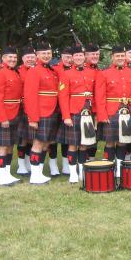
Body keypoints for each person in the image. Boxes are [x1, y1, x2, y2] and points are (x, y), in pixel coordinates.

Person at [95, 45, 131, 177]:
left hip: (127, 110)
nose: (120, 58)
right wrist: (102, 115)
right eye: (117, 56)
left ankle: (120, 169)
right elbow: (100, 96)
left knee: (122, 141)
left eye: (122, 56)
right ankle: (109, 169)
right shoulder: (104, 73)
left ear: (125, 56)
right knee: (110, 141)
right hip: (111, 111)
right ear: (112, 57)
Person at [58, 44, 98, 183]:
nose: (79, 58)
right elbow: (62, 97)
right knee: (73, 143)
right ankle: (72, 173)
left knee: (84, 144)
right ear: (72, 58)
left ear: (84, 56)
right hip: (74, 111)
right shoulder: (66, 73)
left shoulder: (92, 72)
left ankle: (82, 171)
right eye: (76, 56)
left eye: (81, 55)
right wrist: (66, 116)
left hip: (89, 110)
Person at [23, 41, 60, 184]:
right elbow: (30, 96)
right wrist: (33, 118)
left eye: (48, 53)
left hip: (52, 112)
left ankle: (39, 171)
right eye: (43, 53)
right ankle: (34, 175)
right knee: (38, 143)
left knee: (46, 144)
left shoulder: (51, 71)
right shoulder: (34, 71)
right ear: (37, 55)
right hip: (41, 113)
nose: (46, 55)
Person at [0, 46, 23, 186]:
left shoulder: (14, 73)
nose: (13, 60)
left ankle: (8, 173)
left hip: (15, 111)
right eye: (10, 57)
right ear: (3, 58)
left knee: (10, 145)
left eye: (15, 58)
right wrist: (2, 117)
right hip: (5, 113)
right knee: (3, 146)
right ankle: (2, 176)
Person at [52, 46, 74, 175]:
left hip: (69, 107)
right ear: (61, 57)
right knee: (52, 139)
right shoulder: (54, 69)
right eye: (66, 57)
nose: (69, 59)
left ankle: (66, 165)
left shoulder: (75, 70)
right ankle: (53, 164)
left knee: (67, 138)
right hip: (54, 107)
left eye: (71, 57)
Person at [16, 44, 36, 175]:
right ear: (22, 59)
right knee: (22, 138)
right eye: (27, 57)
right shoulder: (17, 71)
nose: (30, 59)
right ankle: (21, 165)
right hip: (21, 108)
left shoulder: (38, 70)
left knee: (32, 138)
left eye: (32, 57)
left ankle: (29, 163)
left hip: (34, 107)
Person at [85, 42, 101, 160]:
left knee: (94, 137)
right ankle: (82, 162)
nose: (95, 56)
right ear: (86, 55)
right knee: (85, 137)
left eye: (97, 54)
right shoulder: (83, 70)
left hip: (98, 108)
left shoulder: (99, 71)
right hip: (85, 109)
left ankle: (91, 160)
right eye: (92, 54)